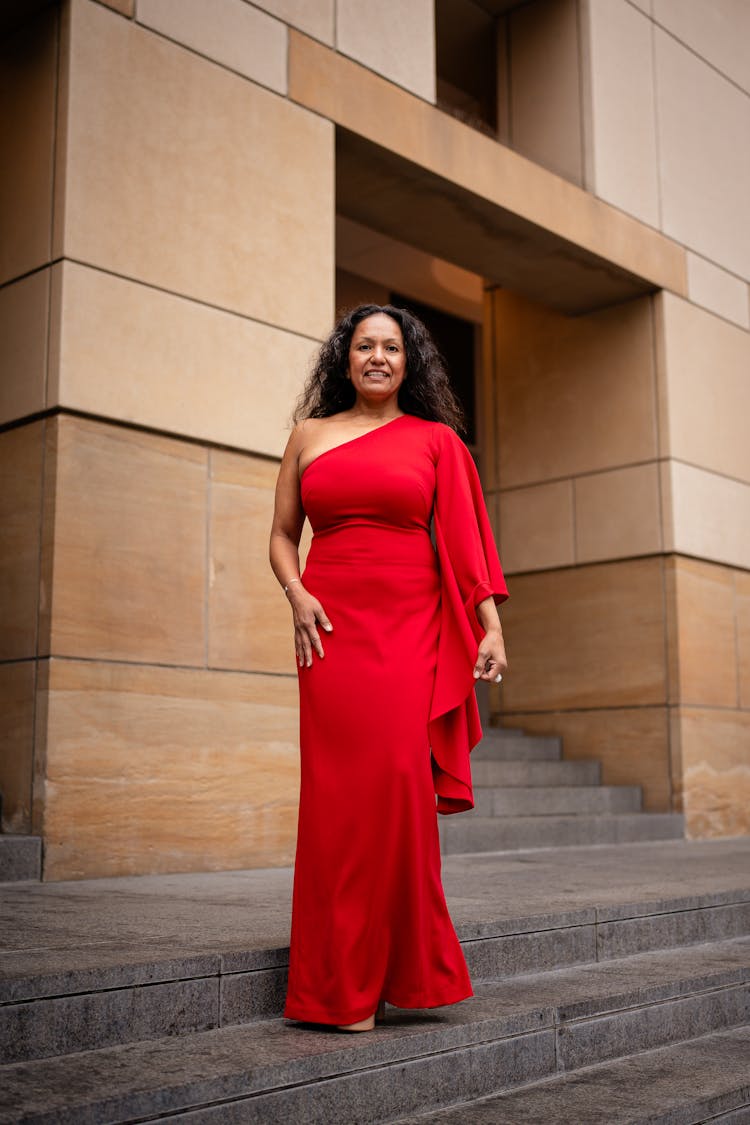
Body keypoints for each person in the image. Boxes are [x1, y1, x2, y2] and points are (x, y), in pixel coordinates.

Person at [269, 303, 509, 1033]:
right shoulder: (307, 436)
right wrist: (297, 592)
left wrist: (491, 626)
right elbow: (282, 535)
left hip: (410, 630)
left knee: (398, 797)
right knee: (338, 806)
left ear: (410, 363)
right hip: (332, 631)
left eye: (392, 347)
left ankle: (402, 974)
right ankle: (336, 989)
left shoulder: (438, 441)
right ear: (345, 358)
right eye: (365, 345)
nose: (378, 357)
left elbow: (467, 546)